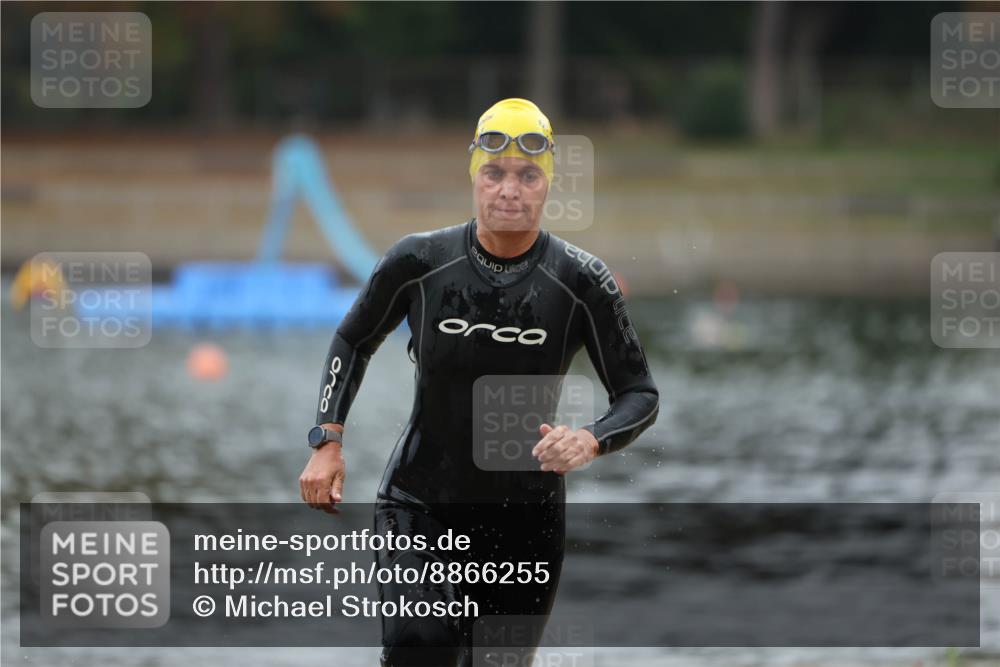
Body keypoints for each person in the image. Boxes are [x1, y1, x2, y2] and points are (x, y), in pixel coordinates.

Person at [299, 98, 659, 666]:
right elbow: (352, 339)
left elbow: (640, 394)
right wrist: (328, 439)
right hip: (419, 502)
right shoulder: (419, 261)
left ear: (548, 185)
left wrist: (590, 438)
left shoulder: (581, 282)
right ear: (474, 176)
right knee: (423, 646)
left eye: (527, 176)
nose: (509, 190)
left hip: (527, 524)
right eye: (494, 173)